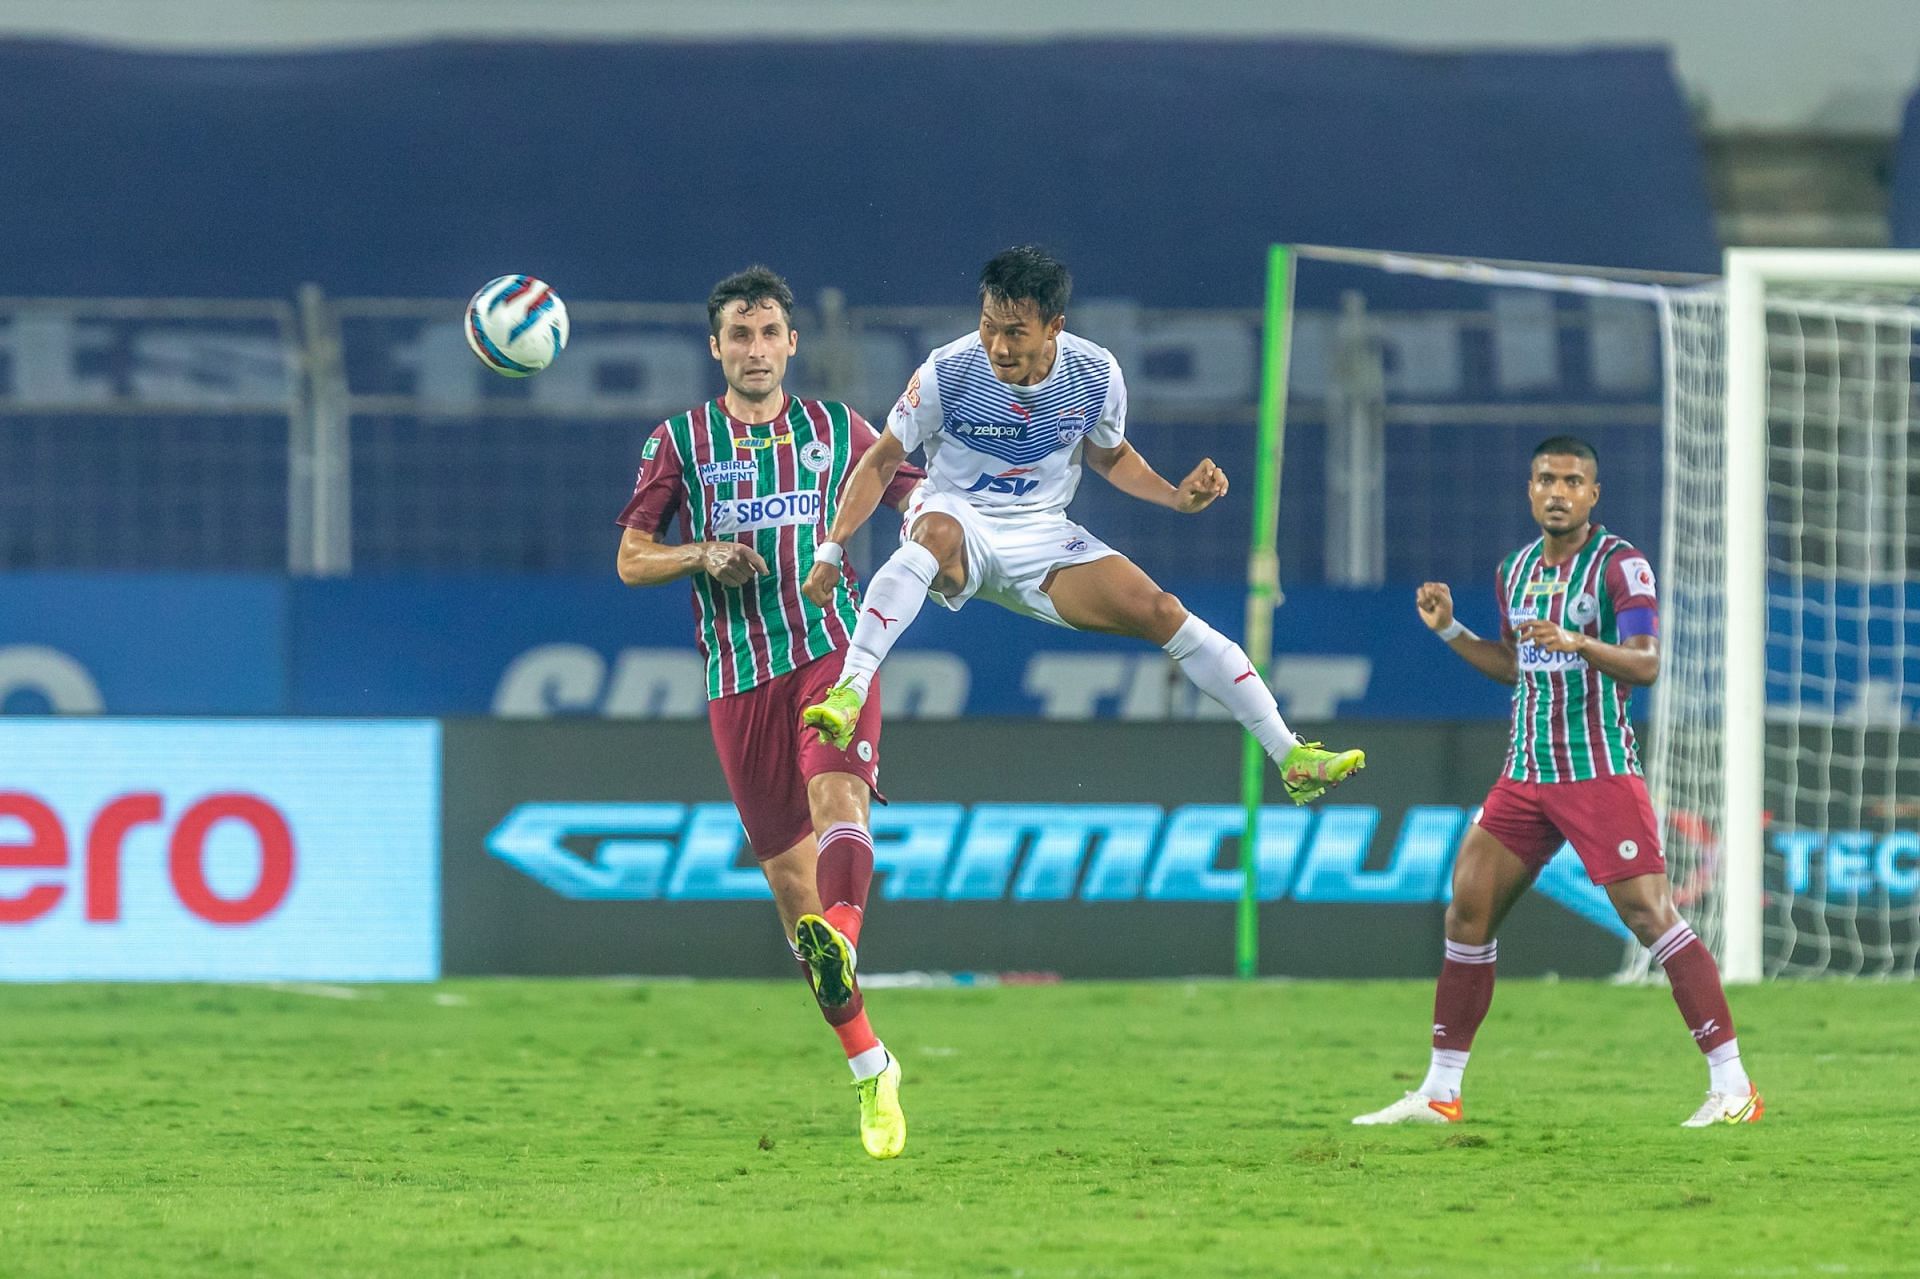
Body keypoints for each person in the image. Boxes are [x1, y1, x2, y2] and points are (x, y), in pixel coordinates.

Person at [798, 245, 1363, 803]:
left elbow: (1109, 455)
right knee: (936, 530)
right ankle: (851, 689)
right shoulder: (948, 370)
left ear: (1054, 327)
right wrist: (832, 548)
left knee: (1163, 613)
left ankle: (1289, 756)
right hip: (956, 515)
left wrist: (1174, 497)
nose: (997, 345)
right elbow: (882, 459)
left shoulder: (1095, 373)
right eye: (989, 326)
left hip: (1042, 533)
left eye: (1016, 331)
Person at [1353, 436, 1763, 1128]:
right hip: (1525, 774)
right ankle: (1440, 1090)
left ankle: (1733, 1084)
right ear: (1529, 487)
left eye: (1573, 480)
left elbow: (1645, 663)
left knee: (1649, 916)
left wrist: (1582, 643)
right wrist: (1451, 629)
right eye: (1546, 478)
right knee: (1466, 909)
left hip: (1598, 769)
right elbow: (1517, 664)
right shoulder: (1513, 571)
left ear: (1592, 494)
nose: (1558, 491)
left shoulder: (1620, 566)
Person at [615, 265, 923, 1159]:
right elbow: (634, 557)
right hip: (739, 677)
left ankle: (847, 934)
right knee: (792, 888)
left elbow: (917, 498)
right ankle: (872, 1067)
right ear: (717, 348)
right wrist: (703, 553)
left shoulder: (840, 429)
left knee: (841, 802)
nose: (755, 350)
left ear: (793, 343)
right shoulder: (680, 441)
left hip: (833, 648)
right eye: (738, 337)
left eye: (769, 335)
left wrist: (945, 545)